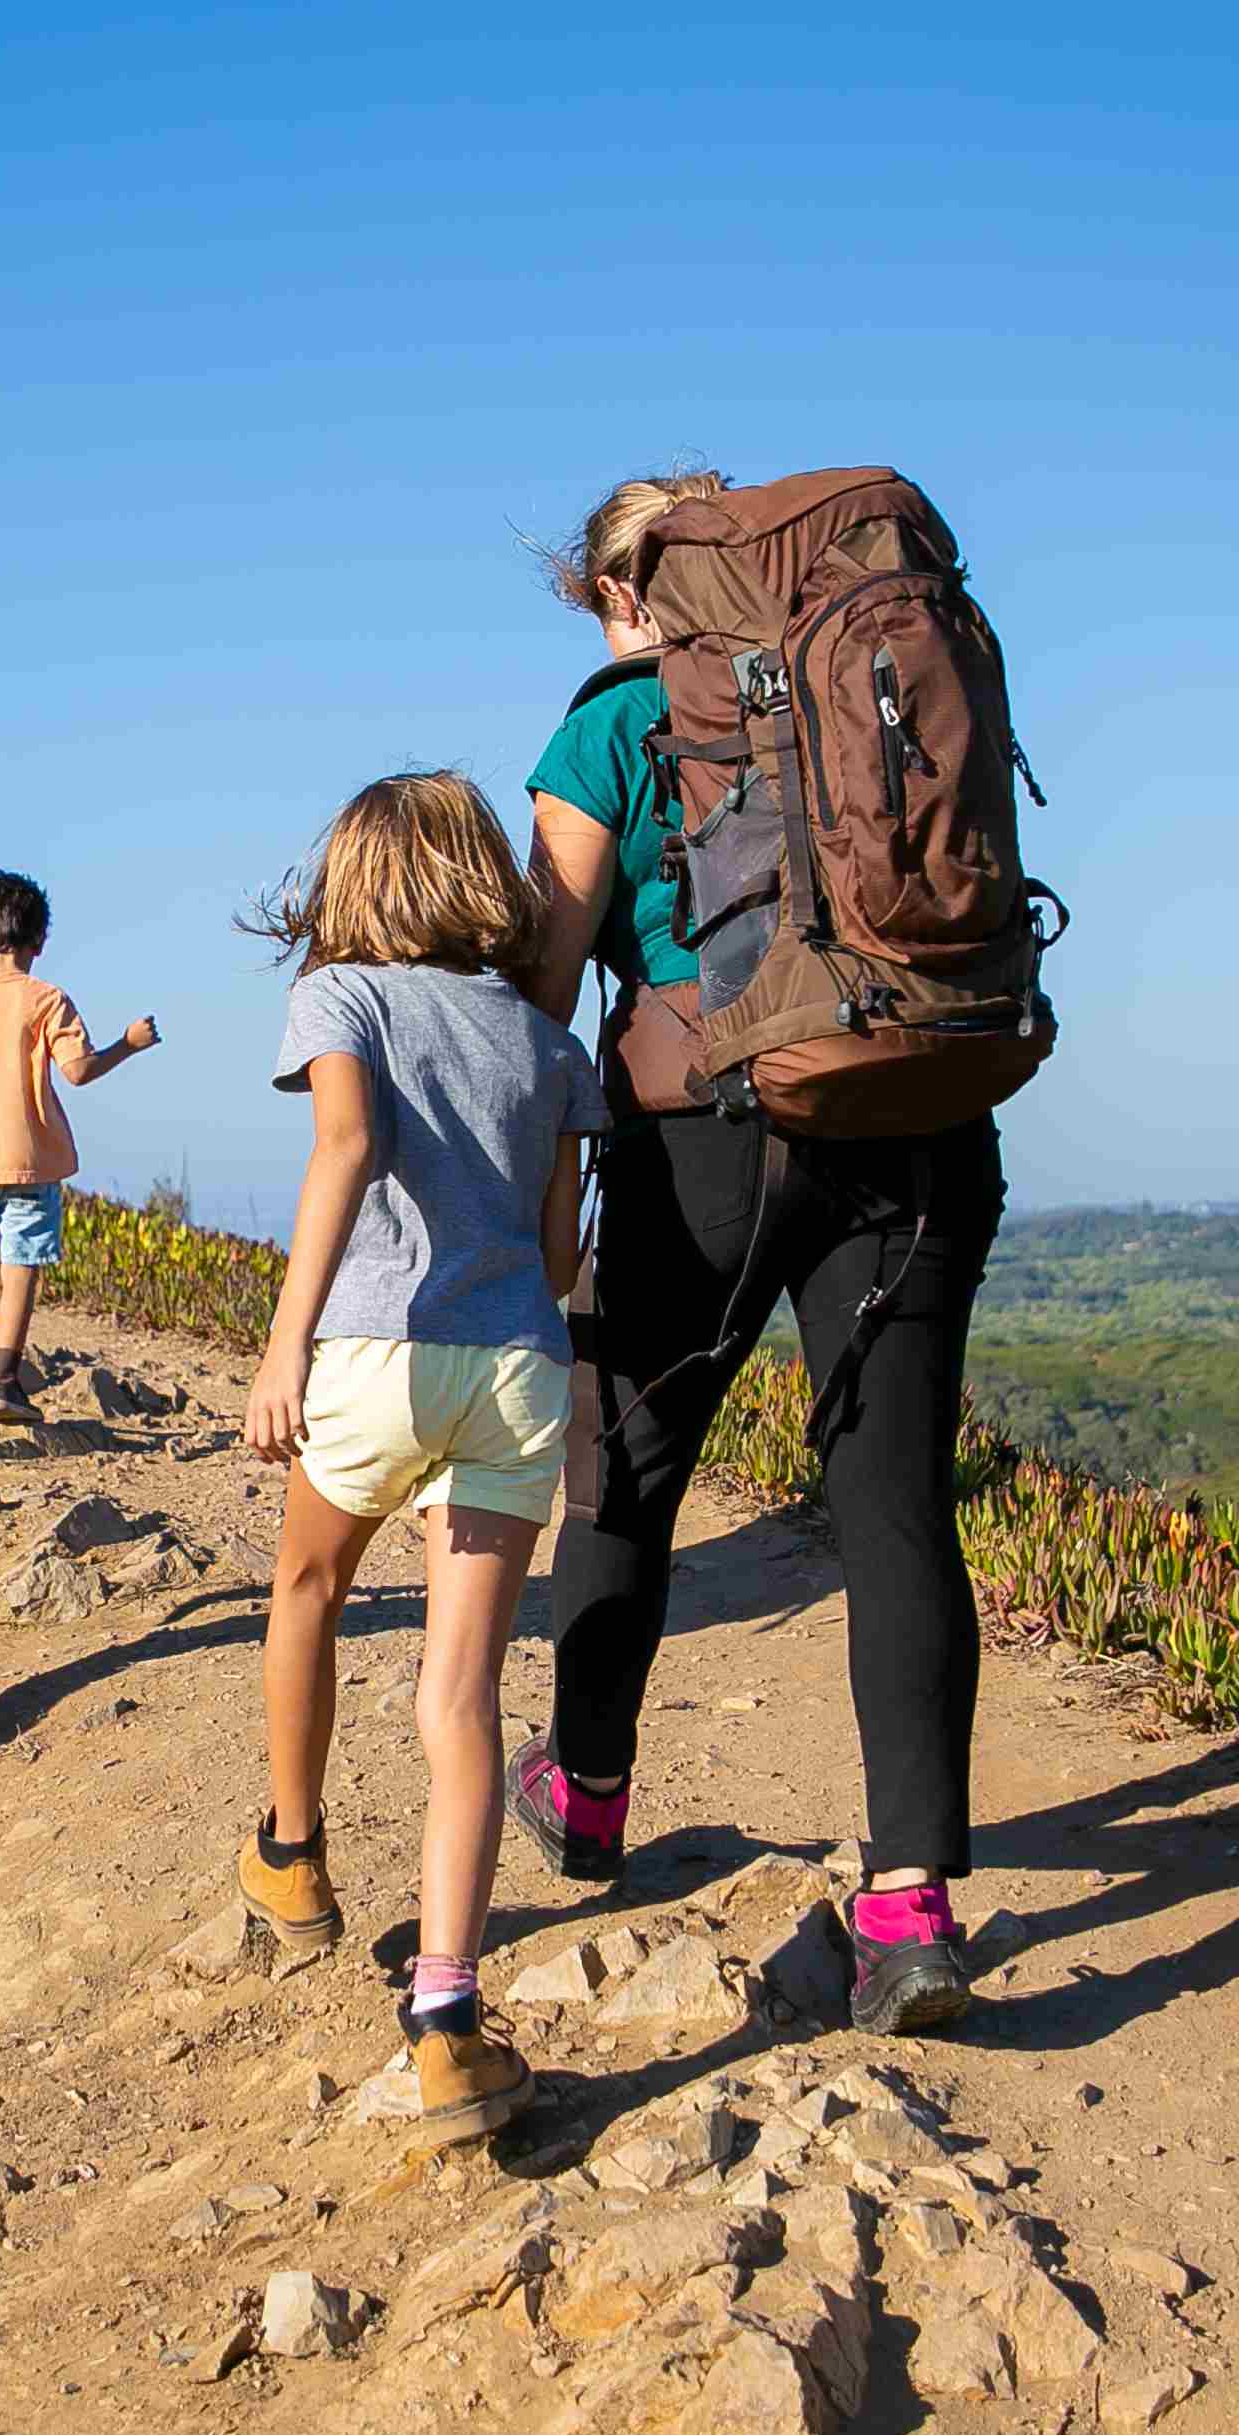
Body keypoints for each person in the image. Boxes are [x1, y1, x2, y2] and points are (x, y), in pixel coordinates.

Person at [504, 473, 1010, 2035]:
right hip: (914, 1105)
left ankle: (586, 1799)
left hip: (703, 1135)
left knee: (627, 1465)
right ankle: (908, 1909)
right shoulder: (869, 668)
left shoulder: (607, 726)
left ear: (620, 594)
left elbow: (539, 977)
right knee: (895, 1509)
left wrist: (532, 1183)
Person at [234, 770, 605, 2142]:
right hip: (516, 1369)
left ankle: (290, 1856)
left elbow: (344, 1144)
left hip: (377, 1354)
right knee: (461, 1699)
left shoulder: (342, 999)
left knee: (306, 1591)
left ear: (354, 883)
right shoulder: (545, 1036)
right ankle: (445, 2016)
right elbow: (563, 1249)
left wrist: (286, 1347)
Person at [0, 870, 159, 1422]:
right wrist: (129, 1045)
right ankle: (2, 1381)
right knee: (21, 1265)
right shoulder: (47, 1000)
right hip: (30, 1158)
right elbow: (79, 1071)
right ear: (39, 942)